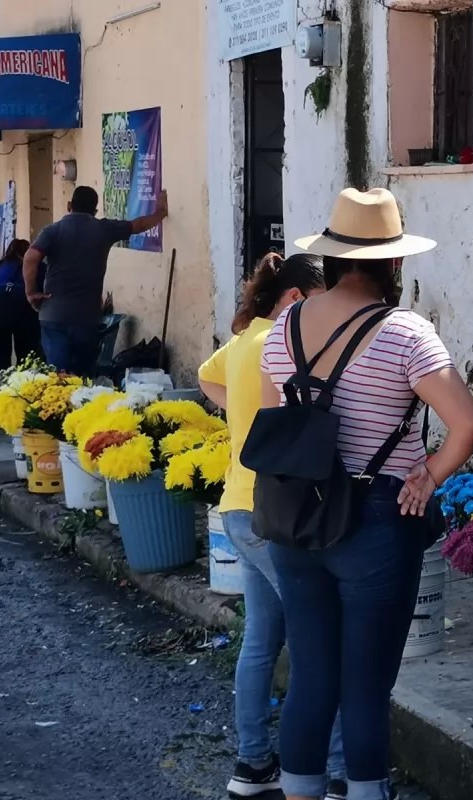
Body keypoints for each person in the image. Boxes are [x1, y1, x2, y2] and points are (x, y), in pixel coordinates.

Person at [260, 188, 473, 800]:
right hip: (377, 518)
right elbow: (466, 424)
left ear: (330, 258)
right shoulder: (406, 331)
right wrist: (429, 475)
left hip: (297, 515)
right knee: (365, 686)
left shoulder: (285, 326)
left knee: (310, 677)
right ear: (394, 264)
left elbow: (269, 420)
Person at [198, 252, 348, 800]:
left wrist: (243, 418)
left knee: (261, 642)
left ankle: (252, 763)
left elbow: (205, 379)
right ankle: (332, 770)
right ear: (295, 299)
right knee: (319, 638)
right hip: (274, 512)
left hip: (237, 508)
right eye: (321, 300)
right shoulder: (282, 343)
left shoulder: (243, 342)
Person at [23, 185, 168, 376]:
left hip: (54, 315)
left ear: (69, 205)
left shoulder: (52, 231)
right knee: (84, 378)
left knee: (58, 377)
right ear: (95, 210)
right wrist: (160, 212)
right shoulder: (104, 229)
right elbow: (138, 225)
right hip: (87, 317)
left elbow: (30, 258)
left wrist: (31, 292)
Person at [0, 239, 44, 372]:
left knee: (0, 352)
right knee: (27, 351)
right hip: (20, 299)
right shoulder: (34, 265)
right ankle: (24, 385)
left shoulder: (1, 265)